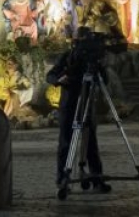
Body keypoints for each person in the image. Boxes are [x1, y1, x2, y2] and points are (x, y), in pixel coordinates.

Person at [46, 27, 111, 193]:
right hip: (69, 106)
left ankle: (96, 178)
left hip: (87, 104)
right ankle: (63, 179)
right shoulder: (68, 56)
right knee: (66, 142)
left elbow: (104, 80)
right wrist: (61, 79)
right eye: (80, 40)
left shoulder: (93, 59)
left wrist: (100, 66)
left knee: (91, 144)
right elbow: (51, 76)